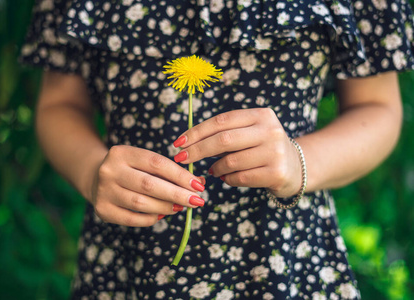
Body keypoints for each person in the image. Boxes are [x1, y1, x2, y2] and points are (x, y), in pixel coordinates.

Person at [20, 0, 414, 299]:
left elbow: (378, 107)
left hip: (286, 261)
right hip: (129, 260)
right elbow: (59, 105)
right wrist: (92, 171)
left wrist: (298, 160)